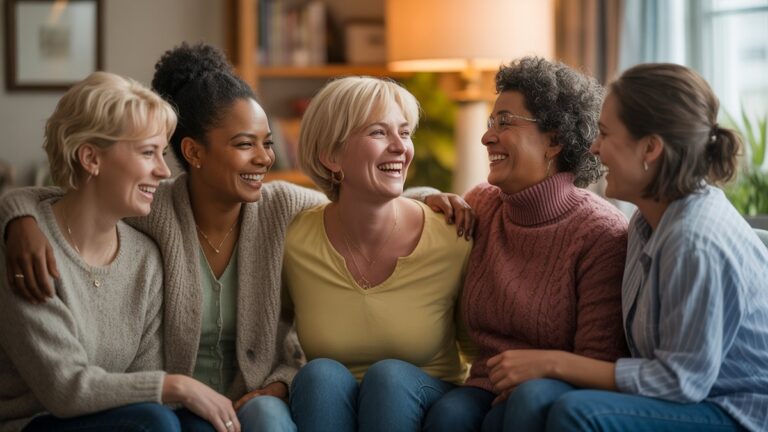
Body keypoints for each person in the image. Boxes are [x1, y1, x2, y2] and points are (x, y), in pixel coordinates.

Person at [0, 44, 472, 432]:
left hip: (253, 398)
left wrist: (431, 197)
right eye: (245, 144)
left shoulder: (282, 207)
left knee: (267, 416)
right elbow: (74, 193)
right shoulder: (152, 208)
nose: (265, 158)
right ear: (194, 152)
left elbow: (362, 199)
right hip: (175, 403)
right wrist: (16, 217)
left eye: (267, 142)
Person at [491, 63, 768, 432]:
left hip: (734, 410)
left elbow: (679, 382)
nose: (593, 147)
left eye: (605, 134)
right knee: (536, 402)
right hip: (692, 398)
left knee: (576, 413)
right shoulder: (645, 221)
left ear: (650, 148)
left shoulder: (695, 240)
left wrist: (552, 362)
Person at [0, 71, 238, 432]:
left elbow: (142, 384)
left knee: (198, 425)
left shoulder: (145, 259)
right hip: (35, 422)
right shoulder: (27, 251)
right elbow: (65, 389)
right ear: (91, 158)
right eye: (147, 153)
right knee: (156, 421)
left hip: (117, 418)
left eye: (162, 153)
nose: (163, 171)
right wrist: (178, 384)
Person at [423, 57, 630, 432]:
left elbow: (599, 358)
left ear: (554, 140)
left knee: (516, 410)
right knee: (448, 415)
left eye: (504, 122)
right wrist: (426, 202)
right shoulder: (481, 204)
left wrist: (539, 376)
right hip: (484, 384)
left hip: (556, 391)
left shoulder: (602, 233)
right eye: (491, 123)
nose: (487, 137)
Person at [284, 76, 473, 432]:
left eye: (404, 132)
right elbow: (268, 332)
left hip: (426, 399)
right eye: (379, 133)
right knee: (319, 374)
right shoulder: (296, 240)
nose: (400, 147)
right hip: (330, 404)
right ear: (331, 156)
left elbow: (481, 348)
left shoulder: (452, 235)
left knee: (388, 379)